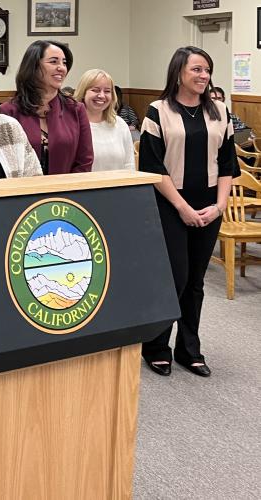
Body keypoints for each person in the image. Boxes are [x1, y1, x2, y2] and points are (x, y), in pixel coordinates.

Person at [139, 46, 237, 378]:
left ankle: (189, 349)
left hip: (210, 205)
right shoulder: (158, 111)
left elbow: (228, 163)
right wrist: (182, 208)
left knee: (195, 281)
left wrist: (220, 205)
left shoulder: (220, 111)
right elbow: (152, 167)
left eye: (207, 70)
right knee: (174, 278)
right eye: (196, 69)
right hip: (170, 204)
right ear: (179, 71)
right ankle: (155, 346)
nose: (203, 76)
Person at [0, 40, 93, 174]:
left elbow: (84, 161)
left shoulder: (76, 109)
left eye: (64, 63)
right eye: (54, 62)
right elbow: (4, 163)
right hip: (22, 192)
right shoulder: (8, 111)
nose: (61, 68)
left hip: (67, 192)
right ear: (34, 66)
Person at [74, 69, 135, 172]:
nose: (102, 95)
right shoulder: (72, 124)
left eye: (107, 91)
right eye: (95, 90)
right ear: (83, 93)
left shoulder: (120, 124)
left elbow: (129, 164)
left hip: (118, 187)